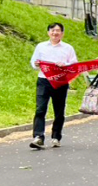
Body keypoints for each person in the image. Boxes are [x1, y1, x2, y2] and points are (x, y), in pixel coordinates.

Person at [29, 21, 77, 149]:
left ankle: (56, 136)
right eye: (52, 30)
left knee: (59, 110)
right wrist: (37, 64)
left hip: (60, 81)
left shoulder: (68, 48)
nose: (55, 33)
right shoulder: (41, 46)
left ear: (62, 33)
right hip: (43, 80)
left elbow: (74, 65)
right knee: (40, 109)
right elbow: (33, 62)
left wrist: (65, 65)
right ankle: (38, 137)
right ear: (48, 32)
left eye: (58, 31)